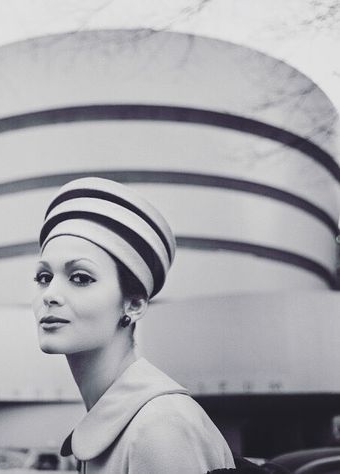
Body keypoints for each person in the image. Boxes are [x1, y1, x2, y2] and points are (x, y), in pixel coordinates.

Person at [32, 177, 236, 473]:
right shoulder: (134, 420)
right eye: (43, 278)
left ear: (134, 304)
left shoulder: (160, 428)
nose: (50, 295)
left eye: (80, 278)